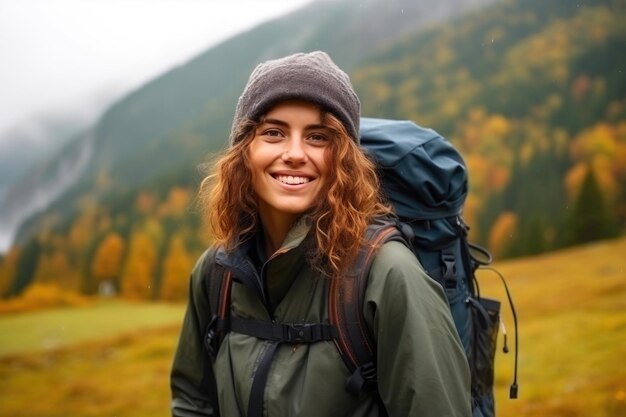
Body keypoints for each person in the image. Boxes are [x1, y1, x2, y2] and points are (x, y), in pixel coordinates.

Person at [170, 51, 471, 417]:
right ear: (244, 151)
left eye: (317, 137)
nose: (294, 154)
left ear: (344, 158)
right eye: (273, 133)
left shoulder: (387, 274)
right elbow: (193, 402)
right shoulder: (218, 272)